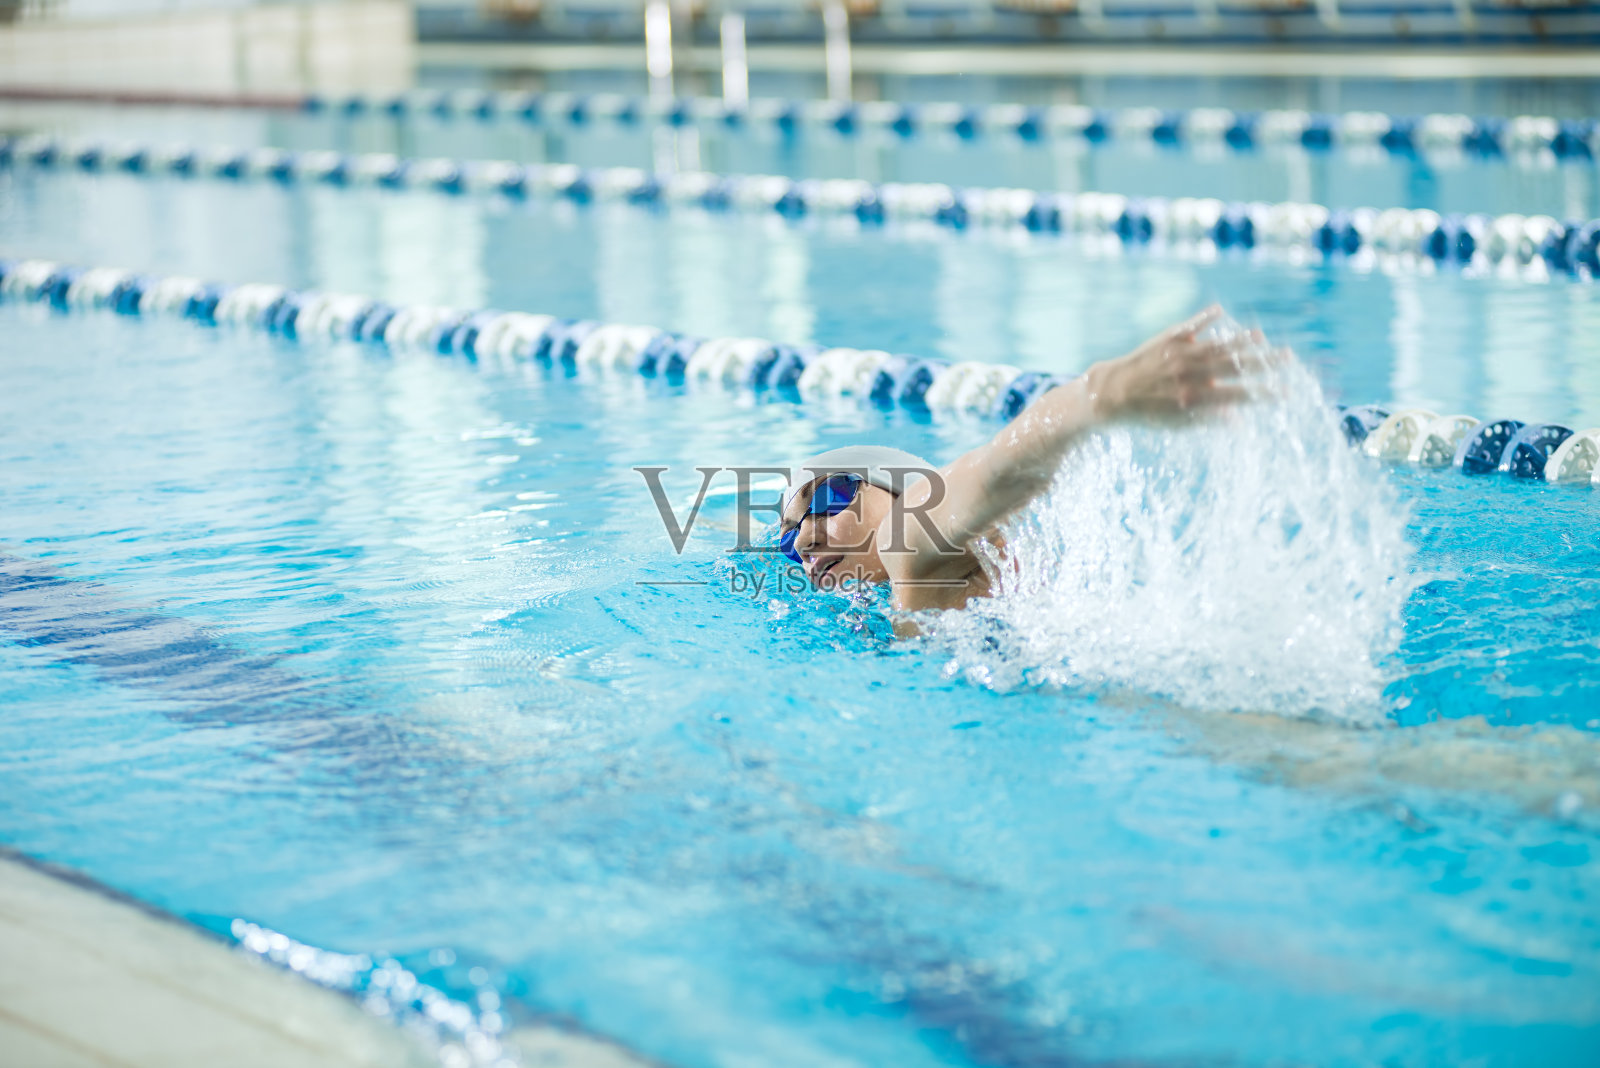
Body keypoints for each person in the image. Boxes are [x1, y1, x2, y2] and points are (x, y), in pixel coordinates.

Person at [777, 306, 1261, 611]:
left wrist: (1104, 393)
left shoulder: (902, 540)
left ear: (897, 488)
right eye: (787, 539)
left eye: (828, 497)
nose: (804, 541)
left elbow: (995, 470)